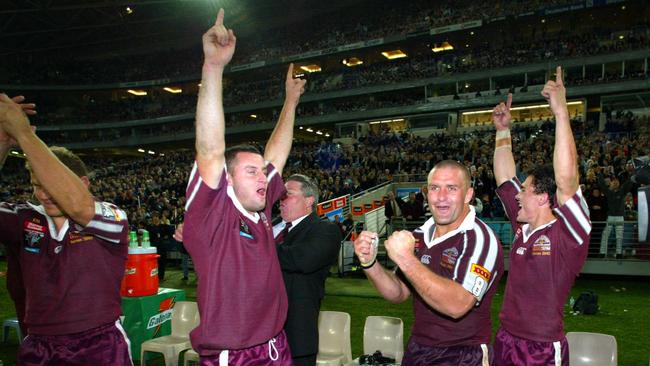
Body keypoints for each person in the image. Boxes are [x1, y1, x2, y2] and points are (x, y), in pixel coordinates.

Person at [182, 8, 306, 364]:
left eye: (261, 172)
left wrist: (291, 102)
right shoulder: (212, 212)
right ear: (227, 179)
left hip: (275, 346)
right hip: (234, 355)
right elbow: (209, 148)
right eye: (250, 172)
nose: (262, 178)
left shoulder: (261, 208)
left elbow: (277, 155)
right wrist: (214, 67)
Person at [0, 94, 132, 365]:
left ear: (82, 182)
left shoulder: (111, 217)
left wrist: (24, 134)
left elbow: (79, 206)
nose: (44, 194)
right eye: (36, 184)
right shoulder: (22, 217)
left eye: (51, 186)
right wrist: (2, 143)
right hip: (38, 345)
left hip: (99, 344)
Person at [354, 160, 504, 365]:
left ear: (468, 195)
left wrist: (406, 259)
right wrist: (370, 264)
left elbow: (458, 304)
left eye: (451, 188)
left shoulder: (479, 238)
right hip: (419, 348)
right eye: (434, 188)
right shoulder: (420, 235)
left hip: (463, 354)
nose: (441, 197)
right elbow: (398, 293)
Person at [491, 67, 591, 365]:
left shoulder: (568, 235)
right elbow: (504, 177)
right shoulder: (522, 226)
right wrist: (502, 131)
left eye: (525, 189)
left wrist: (561, 112)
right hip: (506, 337)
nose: (517, 194)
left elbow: (567, 179)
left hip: (542, 349)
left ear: (544, 197)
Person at [273, 174, 342, 366]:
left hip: (294, 335)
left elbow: (302, 259)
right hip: (256, 332)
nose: (281, 199)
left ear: (309, 200)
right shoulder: (270, 226)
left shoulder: (325, 229)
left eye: (288, 194)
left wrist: (255, 247)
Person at [598, 174, 634, 258]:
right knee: (605, 235)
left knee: (619, 236)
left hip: (619, 217)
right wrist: (600, 174)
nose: (615, 182)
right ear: (611, 183)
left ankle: (619, 253)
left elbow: (627, 185)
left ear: (619, 183)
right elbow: (602, 185)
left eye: (617, 181)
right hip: (610, 216)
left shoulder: (622, 191)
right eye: (614, 181)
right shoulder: (608, 192)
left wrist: (631, 178)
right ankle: (602, 253)